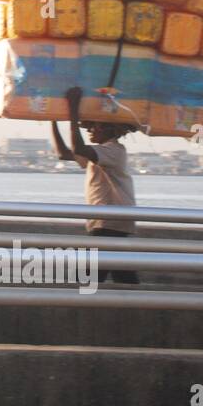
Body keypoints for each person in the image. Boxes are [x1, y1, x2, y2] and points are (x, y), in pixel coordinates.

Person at [49, 86, 140, 284]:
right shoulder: (98, 154)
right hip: (106, 222)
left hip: (110, 223)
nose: (90, 130)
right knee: (121, 277)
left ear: (111, 129)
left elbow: (78, 147)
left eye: (94, 126)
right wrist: (53, 118)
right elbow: (63, 153)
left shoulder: (114, 151)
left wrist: (73, 107)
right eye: (88, 127)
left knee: (89, 278)